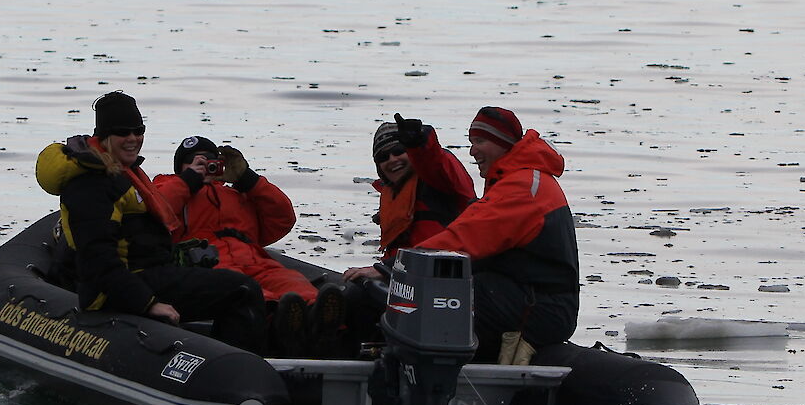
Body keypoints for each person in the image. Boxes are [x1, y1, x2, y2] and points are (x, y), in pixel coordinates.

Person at [34, 91, 267, 353]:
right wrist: (148, 303)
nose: (133, 139)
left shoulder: (123, 172)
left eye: (138, 130)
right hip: (117, 289)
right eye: (123, 132)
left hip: (146, 275)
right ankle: (232, 367)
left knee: (232, 283)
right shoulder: (91, 184)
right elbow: (97, 260)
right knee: (242, 290)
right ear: (104, 137)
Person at [413, 106, 582, 361]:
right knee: (466, 285)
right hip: (528, 297)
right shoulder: (514, 179)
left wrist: (401, 265)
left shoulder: (524, 186)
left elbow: (467, 238)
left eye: (480, 141)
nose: (473, 150)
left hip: (542, 307)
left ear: (502, 142)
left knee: (452, 297)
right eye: (471, 142)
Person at [151, 136, 342, 356]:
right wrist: (189, 180)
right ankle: (278, 320)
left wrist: (247, 179)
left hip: (254, 260)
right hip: (209, 264)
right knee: (253, 294)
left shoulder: (238, 194)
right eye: (195, 161)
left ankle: (318, 322)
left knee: (293, 283)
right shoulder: (169, 187)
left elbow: (283, 218)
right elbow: (158, 209)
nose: (205, 166)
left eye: (211, 161)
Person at [341, 114, 477, 281]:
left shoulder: (438, 180)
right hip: (404, 274)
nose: (392, 159)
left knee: (356, 295)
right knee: (354, 287)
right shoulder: (393, 193)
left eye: (398, 151)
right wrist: (385, 269)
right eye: (383, 157)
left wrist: (419, 145)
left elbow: (434, 161)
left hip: (440, 275)